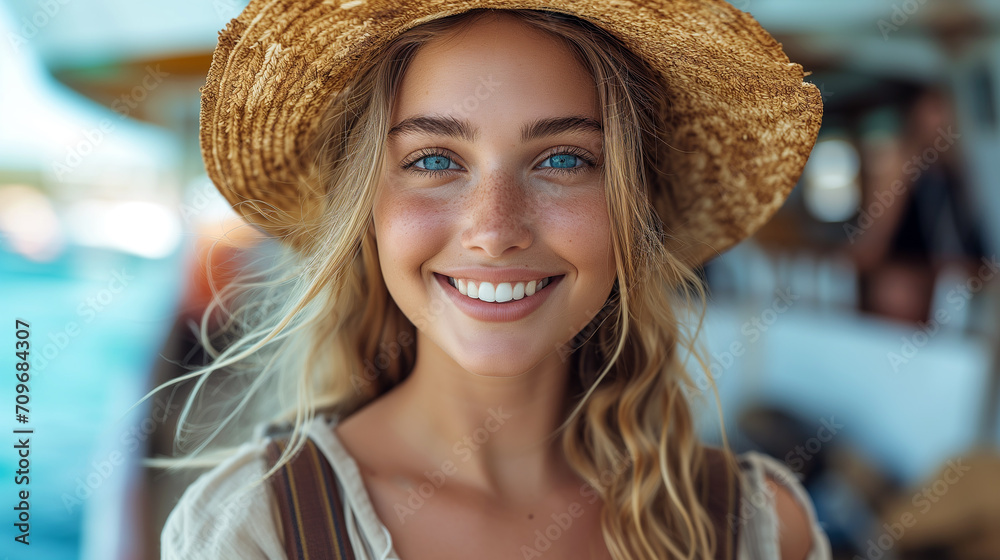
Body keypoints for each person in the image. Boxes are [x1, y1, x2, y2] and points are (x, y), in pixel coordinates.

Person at [150, 2, 830, 559]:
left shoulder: (756, 528)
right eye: (435, 158)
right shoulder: (250, 530)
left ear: (635, 209)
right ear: (368, 212)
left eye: (563, 159)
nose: (495, 228)